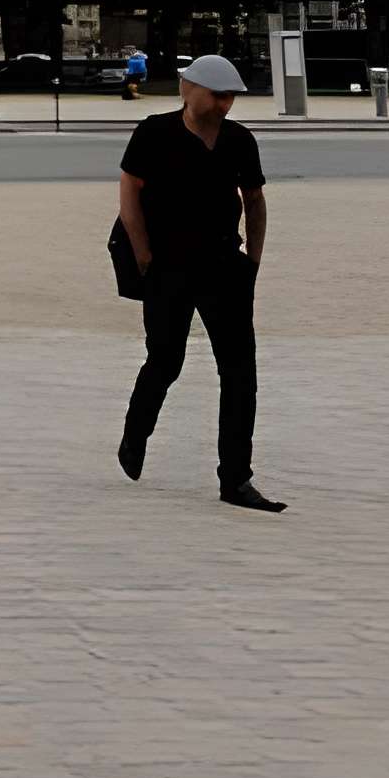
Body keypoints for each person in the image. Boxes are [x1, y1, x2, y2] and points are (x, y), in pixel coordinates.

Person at [117, 54, 280, 511]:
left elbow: (254, 199)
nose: (226, 105)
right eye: (218, 95)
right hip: (167, 266)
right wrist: (144, 254)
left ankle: (236, 479)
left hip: (225, 266)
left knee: (239, 372)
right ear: (190, 90)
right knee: (166, 360)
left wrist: (254, 259)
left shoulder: (239, 141)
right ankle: (136, 432)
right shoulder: (154, 132)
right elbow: (130, 191)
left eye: (231, 97)